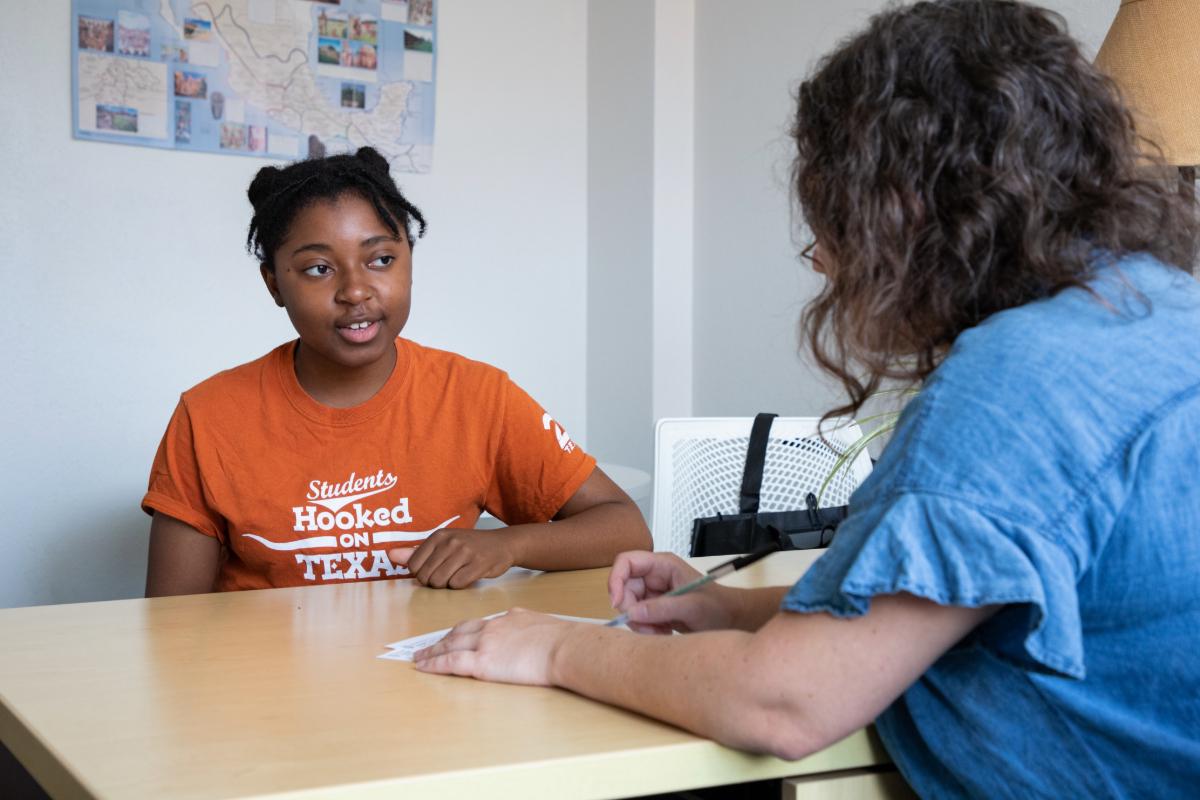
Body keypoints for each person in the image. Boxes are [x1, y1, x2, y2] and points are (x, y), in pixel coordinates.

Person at [411, 1, 1200, 796]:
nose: (822, 259)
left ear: (899, 210)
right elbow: (937, 602)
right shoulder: (1160, 308)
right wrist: (727, 609)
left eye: (830, 219)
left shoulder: (1021, 379)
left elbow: (784, 702)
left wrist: (551, 647)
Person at [142, 147, 650, 595]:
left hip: (427, 679)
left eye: (381, 259)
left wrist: (509, 545)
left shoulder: (477, 397)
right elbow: (172, 623)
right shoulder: (208, 416)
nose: (356, 291)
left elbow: (625, 527)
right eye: (319, 268)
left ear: (409, 261)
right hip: (266, 692)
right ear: (274, 284)